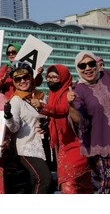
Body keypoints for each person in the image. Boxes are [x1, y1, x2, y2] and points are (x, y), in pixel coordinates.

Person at [30, 64, 93, 194]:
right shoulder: (53, 94)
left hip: (75, 146)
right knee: (77, 187)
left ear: (63, 78)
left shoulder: (68, 93)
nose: (51, 80)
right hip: (62, 147)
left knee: (69, 184)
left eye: (55, 77)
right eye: (49, 77)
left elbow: (62, 110)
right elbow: (55, 120)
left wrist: (42, 107)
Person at [3, 60, 52, 194]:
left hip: (44, 145)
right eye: (18, 79)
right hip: (27, 148)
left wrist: (47, 124)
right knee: (44, 179)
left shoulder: (41, 96)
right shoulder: (16, 100)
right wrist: (8, 116)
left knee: (36, 184)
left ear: (31, 77)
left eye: (25, 77)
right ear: (14, 81)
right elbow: (14, 128)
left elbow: (48, 117)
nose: (22, 81)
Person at [67, 51, 110, 194]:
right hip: (100, 144)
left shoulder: (107, 76)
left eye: (91, 64)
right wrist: (71, 105)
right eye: (82, 65)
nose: (88, 68)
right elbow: (79, 120)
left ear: (97, 64)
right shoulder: (78, 90)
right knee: (107, 183)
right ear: (78, 69)